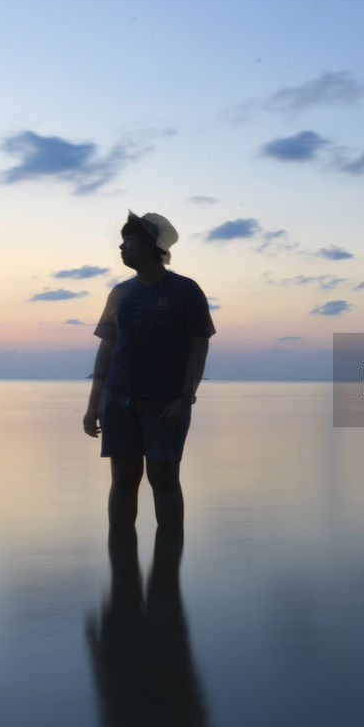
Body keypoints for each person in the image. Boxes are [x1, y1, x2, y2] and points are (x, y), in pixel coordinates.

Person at [83, 212, 215, 529]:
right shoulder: (120, 293)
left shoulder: (185, 291)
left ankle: (167, 564)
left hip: (165, 402)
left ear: (150, 246)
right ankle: (123, 564)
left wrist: (185, 399)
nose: (121, 246)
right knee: (124, 480)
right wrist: (93, 405)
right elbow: (107, 348)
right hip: (118, 399)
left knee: (164, 479)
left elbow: (199, 345)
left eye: (128, 240)